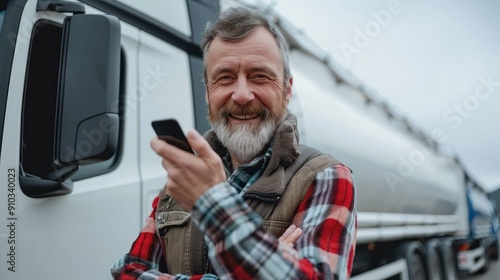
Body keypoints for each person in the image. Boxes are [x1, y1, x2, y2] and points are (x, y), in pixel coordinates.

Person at [112, 6, 356, 280]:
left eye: (259, 76)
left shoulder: (326, 176)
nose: (241, 95)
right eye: (225, 77)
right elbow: (127, 272)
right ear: (207, 92)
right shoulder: (179, 184)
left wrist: (213, 203)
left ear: (287, 90)